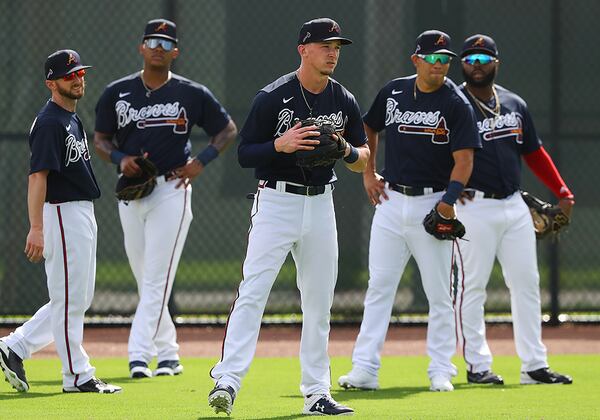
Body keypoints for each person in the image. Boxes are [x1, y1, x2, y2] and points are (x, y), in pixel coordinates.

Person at [208, 18, 369, 416]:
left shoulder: (343, 99)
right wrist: (280, 145)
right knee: (254, 291)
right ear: (304, 49)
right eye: (326, 45)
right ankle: (227, 381)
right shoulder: (273, 97)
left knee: (319, 302)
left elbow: (363, 158)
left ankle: (317, 393)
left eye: (337, 46)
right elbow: (245, 153)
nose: (333, 52)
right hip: (276, 203)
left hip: (321, 203)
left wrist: (346, 149)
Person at [338, 30, 481, 393]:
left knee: (438, 293)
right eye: (433, 58)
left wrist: (447, 201)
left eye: (445, 59)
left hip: (431, 202)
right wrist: (367, 174)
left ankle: (440, 370)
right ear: (416, 60)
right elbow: (368, 126)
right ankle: (365, 369)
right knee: (379, 288)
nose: (440, 65)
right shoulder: (394, 91)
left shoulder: (455, 102)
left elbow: (465, 160)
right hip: (390, 201)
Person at [94, 19, 237, 379]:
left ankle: (138, 355)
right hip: (131, 191)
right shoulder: (117, 91)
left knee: (156, 279)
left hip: (171, 190)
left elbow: (227, 129)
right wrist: (119, 159)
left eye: (166, 42)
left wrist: (200, 162)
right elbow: (100, 138)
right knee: (147, 278)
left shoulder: (191, 93)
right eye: (152, 40)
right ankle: (169, 353)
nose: (158, 47)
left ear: (176, 52)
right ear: (141, 48)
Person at [453, 34, 574, 385]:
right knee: (472, 287)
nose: (476, 66)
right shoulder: (453, 102)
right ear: (462, 65)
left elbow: (533, 153)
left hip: (514, 204)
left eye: (483, 59)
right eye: (470, 60)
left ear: (496, 62)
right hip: (472, 205)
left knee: (526, 283)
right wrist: (450, 188)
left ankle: (534, 365)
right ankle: (477, 365)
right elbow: (433, 149)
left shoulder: (513, 104)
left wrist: (562, 190)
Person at [0, 50, 121, 394]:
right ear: (51, 83)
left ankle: (15, 346)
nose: (78, 79)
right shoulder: (50, 121)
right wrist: (36, 227)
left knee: (76, 298)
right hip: (61, 211)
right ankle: (77, 375)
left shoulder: (70, 117)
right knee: (69, 297)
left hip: (79, 211)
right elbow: (37, 177)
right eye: (70, 75)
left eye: (80, 72)